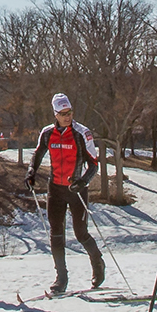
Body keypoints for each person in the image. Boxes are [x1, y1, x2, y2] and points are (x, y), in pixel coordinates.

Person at [25, 93, 105, 294]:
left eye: (69, 113)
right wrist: (31, 172)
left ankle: (98, 265)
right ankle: (61, 278)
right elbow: (37, 154)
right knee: (56, 233)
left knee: (80, 232)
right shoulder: (47, 133)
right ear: (55, 114)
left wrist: (83, 181)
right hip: (56, 189)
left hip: (76, 189)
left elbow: (94, 164)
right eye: (63, 114)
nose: (67, 117)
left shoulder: (81, 133)